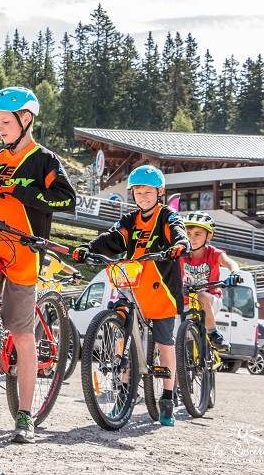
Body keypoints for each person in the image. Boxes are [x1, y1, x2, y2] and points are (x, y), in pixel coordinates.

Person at [0, 87, 76, 443]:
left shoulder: (45, 161)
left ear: (26, 119)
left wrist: (24, 192)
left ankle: (25, 415)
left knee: (22, 335)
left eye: (5, 122)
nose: (0, 129)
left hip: (24, 254)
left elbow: (67, 199)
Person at [72, 164, 189, 427]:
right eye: (137, 191)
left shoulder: (167, 216)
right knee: (121, 325)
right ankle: (125, 390)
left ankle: (168, 398)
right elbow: (113, 238)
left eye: (148, 191)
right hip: (133, 286)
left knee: (164, 342)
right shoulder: (130, 220)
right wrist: (88, 248)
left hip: (161, 291)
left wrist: (180, 244)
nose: (143, 196)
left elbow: (179, 232)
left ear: (159, 192)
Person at [180, 211, 243, 352]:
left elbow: (230, 263)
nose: (192, 238)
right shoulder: (180, 253)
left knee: (201, 296)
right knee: (176, 343)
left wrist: (235, 272)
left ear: (208, 236)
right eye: (188, 234)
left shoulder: (213, 253)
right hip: (185, 301)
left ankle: (213, 333)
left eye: (198, 234)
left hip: (210, 299)